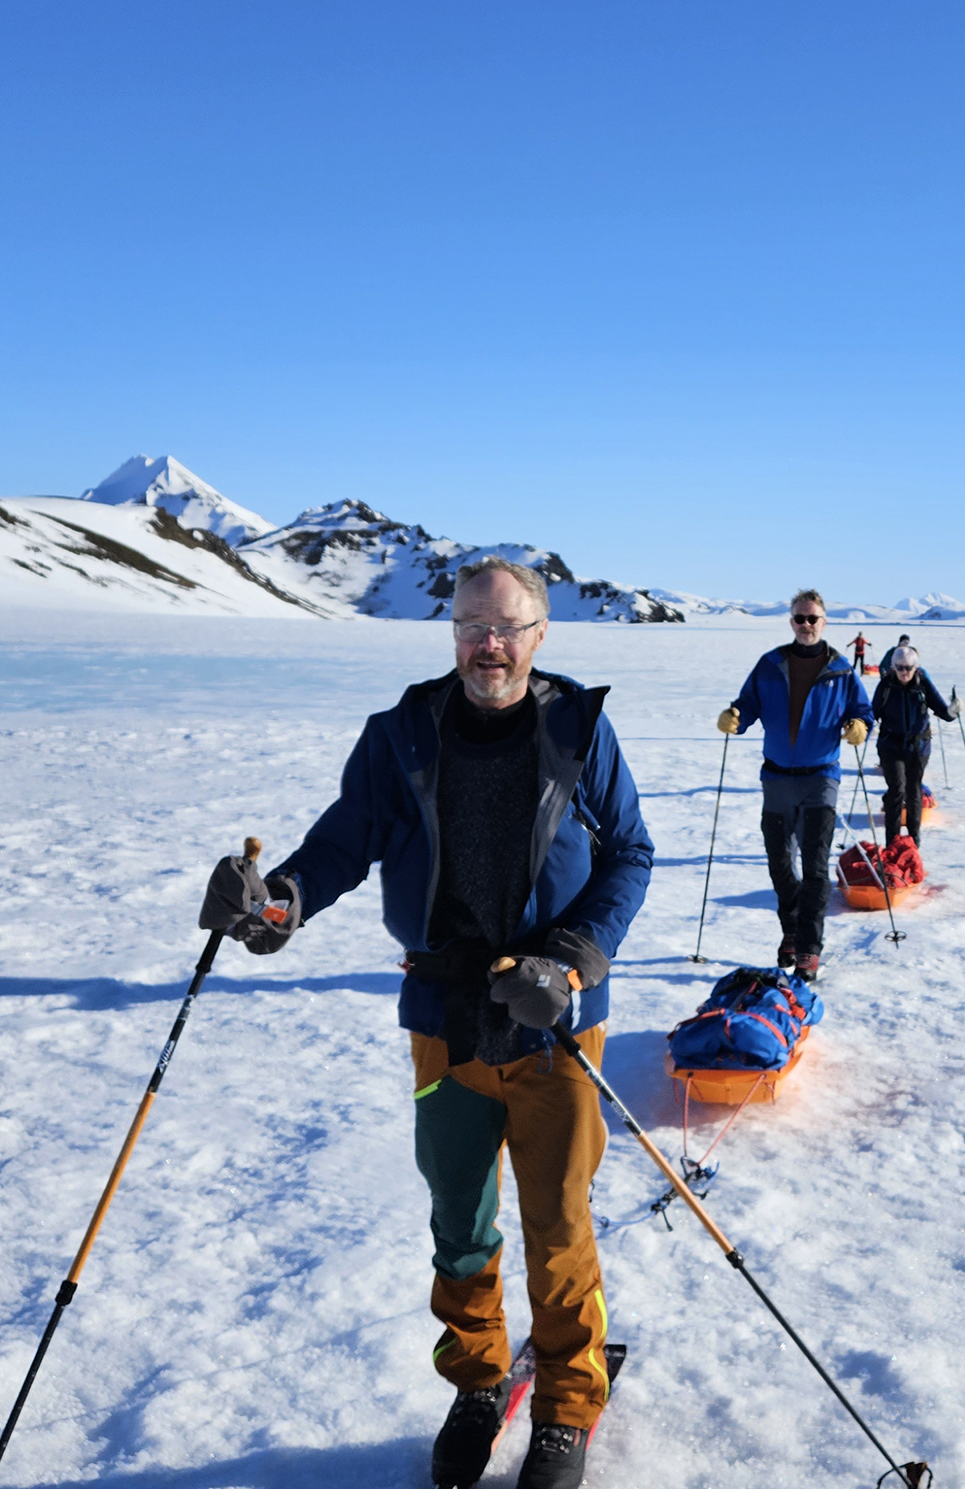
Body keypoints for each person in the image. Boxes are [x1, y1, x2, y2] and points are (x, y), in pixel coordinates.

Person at [200, 556, 652, 1489]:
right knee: (459, 1220)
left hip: (551, 1022)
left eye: (507, 627)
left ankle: (568, 1400)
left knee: (558, 1221)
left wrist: (567, 961)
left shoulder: (578, 731)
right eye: (470, 626)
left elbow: (632, 855)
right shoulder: (400, 733)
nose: (488, 644)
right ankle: (479, 1380)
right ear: (451, 632)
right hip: (444, 1020)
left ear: (539, 636)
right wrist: (274, 903)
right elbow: (338, 846)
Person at [717, 589, 873, 982]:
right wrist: (735, 717)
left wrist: (859, 726)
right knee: (780, 864)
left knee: (816, 866)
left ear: (824, 622)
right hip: (776, 778)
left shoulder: (840, 669)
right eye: (800, 619)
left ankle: (808, 948)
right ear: (791, 622)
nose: (806, 625)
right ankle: (791, 930)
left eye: (813, 619)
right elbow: (747, 704)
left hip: (821, 776)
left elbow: (862, 710)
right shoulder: (770, 664)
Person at [871, 645, 961, 846]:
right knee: (896, 790)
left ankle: (913, 843)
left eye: (909, 667)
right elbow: (873, 714)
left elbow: (943, 712)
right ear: (893, 667)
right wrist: (859, 726)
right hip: (890, 746)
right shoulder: (886, 686)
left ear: (916, 667)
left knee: (913, 791)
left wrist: (954, 710)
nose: (904, 672)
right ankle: (892, 844)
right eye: (900, 667)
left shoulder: (923, 685)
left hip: (918, 747)